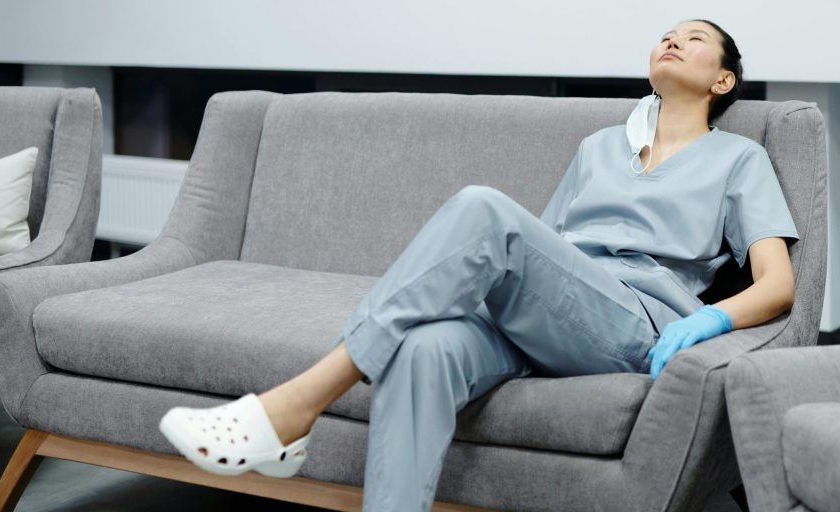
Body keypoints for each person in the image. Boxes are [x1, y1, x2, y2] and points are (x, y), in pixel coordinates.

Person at [158, 18, 799, 511]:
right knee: (425, 350)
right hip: (553, 314)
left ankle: (294, 406)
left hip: (632, 322)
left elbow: (778, 285)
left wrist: (706, 321)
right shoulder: (600, 147)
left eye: (693, 39)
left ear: (723, 81)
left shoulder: (738, 159)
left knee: (484, 210)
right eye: (665, 35)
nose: (671, 41)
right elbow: (541, 250)